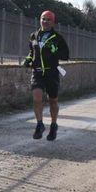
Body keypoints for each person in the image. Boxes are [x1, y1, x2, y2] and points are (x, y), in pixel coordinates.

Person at [23, 10, 69, 141]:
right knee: (36, 98)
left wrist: (55, 51)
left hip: (52, 73)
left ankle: (54, 125)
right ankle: (39, 124)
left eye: (48, 19)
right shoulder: (34, 36)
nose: (45, 21)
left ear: (53, 22)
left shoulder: (57, 38)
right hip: (37, 72)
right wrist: (28, 59)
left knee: (52, 100)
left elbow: (65, 55)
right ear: (40, 20)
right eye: (43, 19)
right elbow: (32, 52)